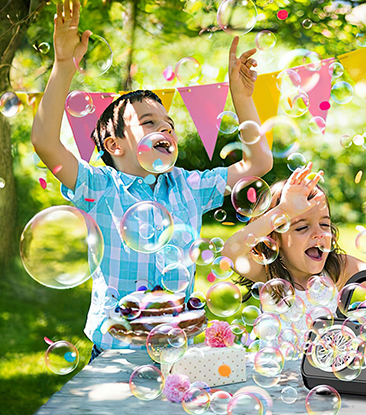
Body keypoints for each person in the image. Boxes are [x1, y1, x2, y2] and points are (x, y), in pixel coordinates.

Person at [31, 0, 273, 355]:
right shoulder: (98, 187)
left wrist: (241, 97)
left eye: (169, 125)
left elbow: (259, 163)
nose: (165, 129)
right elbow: (44, 142)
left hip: (179, 346)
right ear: (115, 145)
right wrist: (64, 66)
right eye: (148, 123)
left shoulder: (188, 186)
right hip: (117, 348)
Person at [222, 162, 366, 328]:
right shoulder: (268, 275)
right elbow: (229, 253)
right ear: (275, 239)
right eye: (302, 227)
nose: (319, 234)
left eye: (324, 224)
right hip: (280, 371)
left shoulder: (337, 269)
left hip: (323, 370)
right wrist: (283, 210)